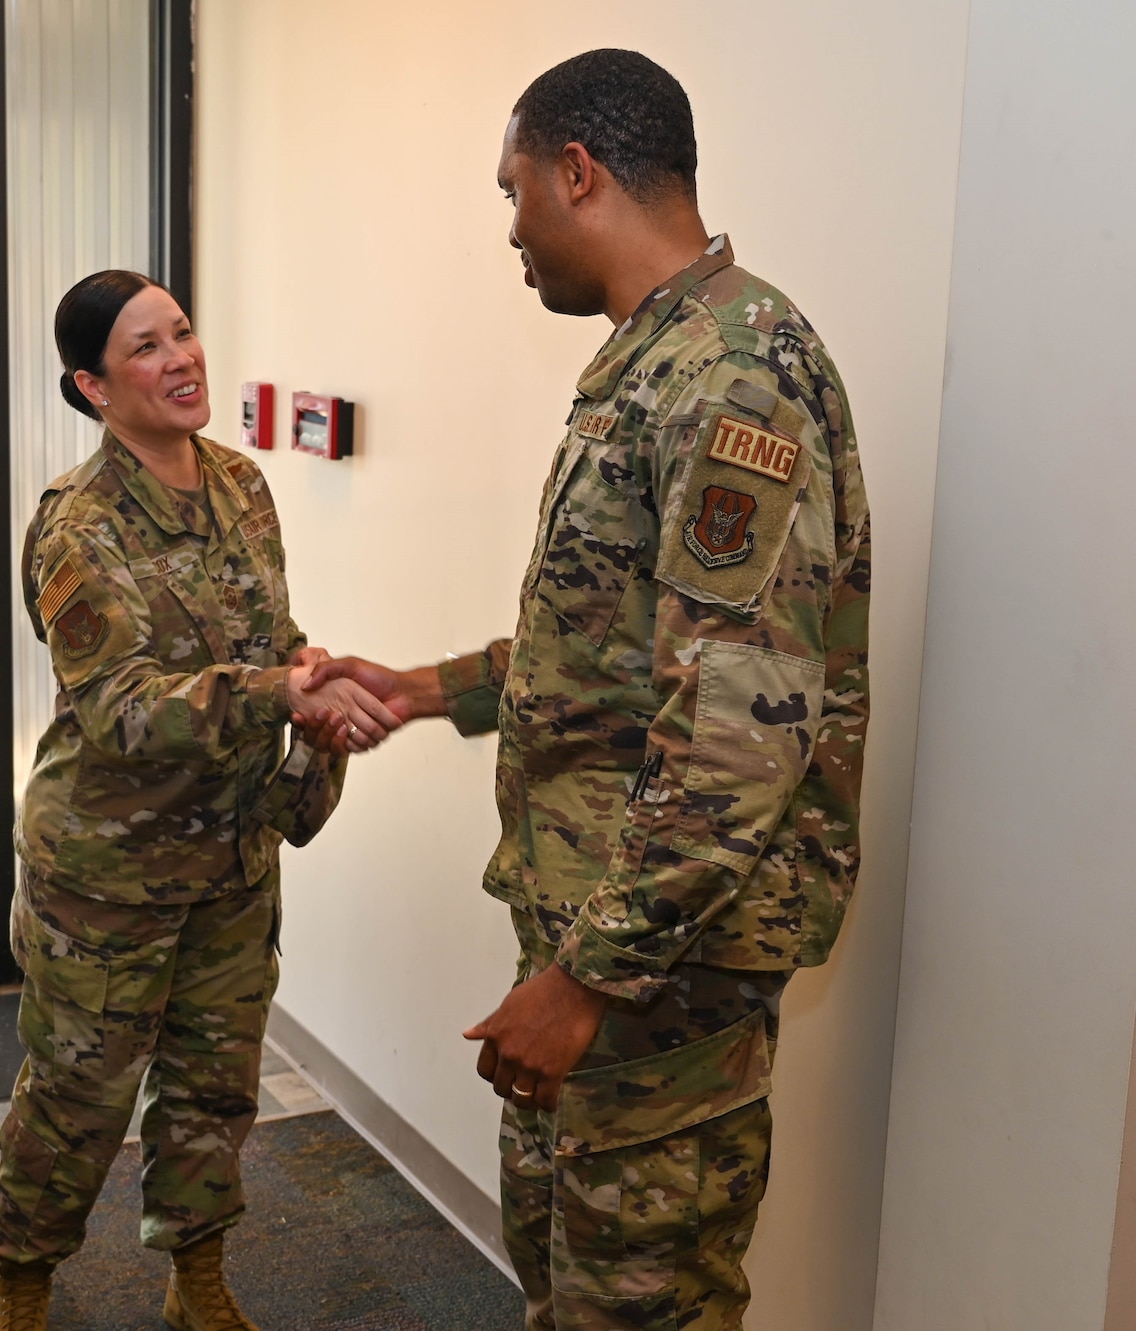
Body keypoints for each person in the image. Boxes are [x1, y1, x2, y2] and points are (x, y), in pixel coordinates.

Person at [303, 51, 871, 1329]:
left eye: (513, 192)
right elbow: (610, 655)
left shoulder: (734, 370)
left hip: (658, 974)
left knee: (640, 1306)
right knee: (564, 1288)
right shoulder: (651, 359)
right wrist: (422, 687)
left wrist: (586, 981)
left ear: (577, 173)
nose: (509, 229)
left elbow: (733, 736)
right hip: (597, 930)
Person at [0, 270, 396, 1331]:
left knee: (212, 1088)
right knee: (77, 1101)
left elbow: (269, 637)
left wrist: (316, 681)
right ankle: (22, 1280)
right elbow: (118, 711)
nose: (181, 358)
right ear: (91, 384)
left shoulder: (240, 484)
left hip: (230, 853)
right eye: (145, 348)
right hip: (109, 872)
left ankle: (194, 1271)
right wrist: (274, 690)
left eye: (183, 332)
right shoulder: (73, 529)